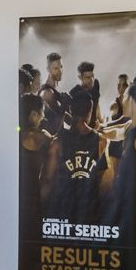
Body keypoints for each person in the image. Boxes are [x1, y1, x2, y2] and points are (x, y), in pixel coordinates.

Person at [42, 87, 107, 226]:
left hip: (63, 209)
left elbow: (48, 179)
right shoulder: (101, 141)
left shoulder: (58, 142)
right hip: (89, 210)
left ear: (70, 110)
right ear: (90, 112)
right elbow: (100, 179)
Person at [102, 72, 136, 233]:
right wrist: (95, 132)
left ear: (133, 99)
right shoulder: (130, 126)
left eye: (126, 95)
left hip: (134, 205)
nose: (123, 98)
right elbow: (116, 132)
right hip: (124, 202)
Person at [19, 93, 54, 239]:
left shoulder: (14, 134)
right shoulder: (43, 136)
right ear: (34, 114)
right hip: (34, 199)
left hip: (15, 196)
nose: (42, 118)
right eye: (41, 114)